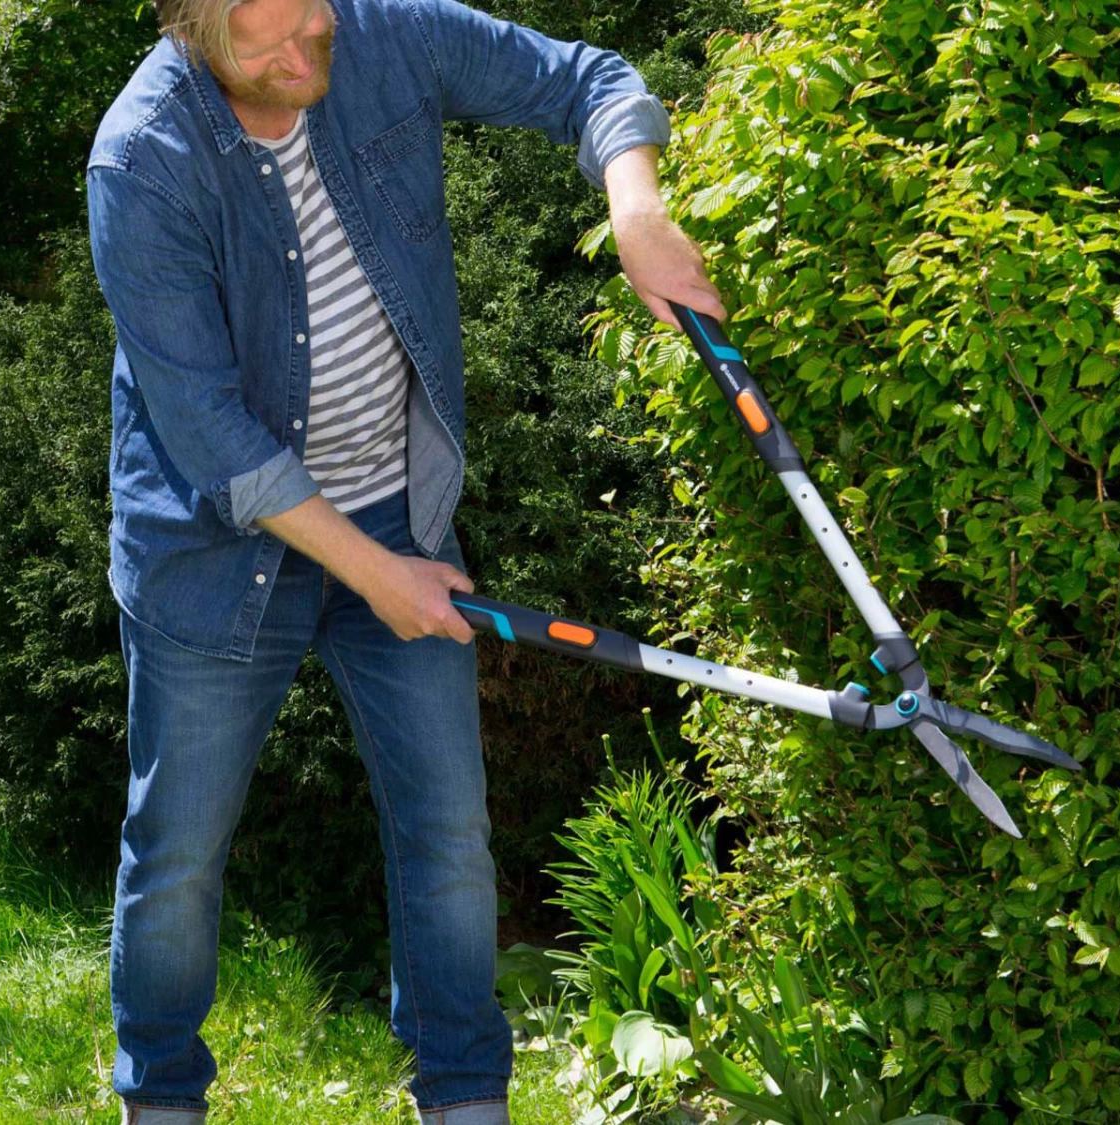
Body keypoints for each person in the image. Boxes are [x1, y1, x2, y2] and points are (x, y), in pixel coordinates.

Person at [85, 0, 726, 1121]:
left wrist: (638, 208)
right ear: (188, 26)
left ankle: (466, 1096)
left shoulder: (387, 32)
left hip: (395, 510)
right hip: (211, 551)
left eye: (312, 25)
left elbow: (589, 79)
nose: (304, 58)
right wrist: (380, 579)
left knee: (448, 836)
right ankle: (162, 1099)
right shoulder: (142, 160)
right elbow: (211, 435)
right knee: (177, 853)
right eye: (266, 46)